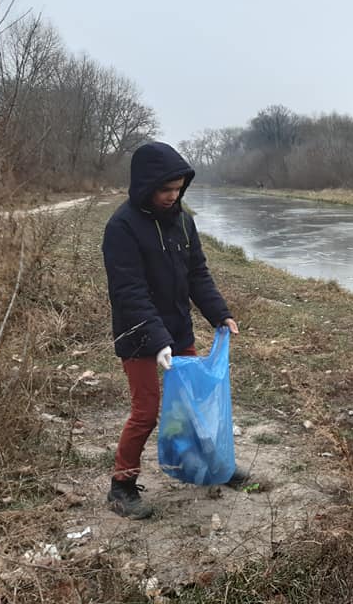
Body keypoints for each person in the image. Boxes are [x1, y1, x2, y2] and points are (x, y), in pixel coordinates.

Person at [102, 142, 248, 519]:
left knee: (194, 404)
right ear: (145, 185)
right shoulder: (121, 227)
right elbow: (128, 291)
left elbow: (197, 273)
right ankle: (121, 486)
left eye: (178, 190)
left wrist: (220, 313)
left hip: (177, 329)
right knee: (147, 411)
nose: (173, 196)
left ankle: (210, 467)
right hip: (137, 334)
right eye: (166, 190)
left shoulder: (183, 220)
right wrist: (157, 340)